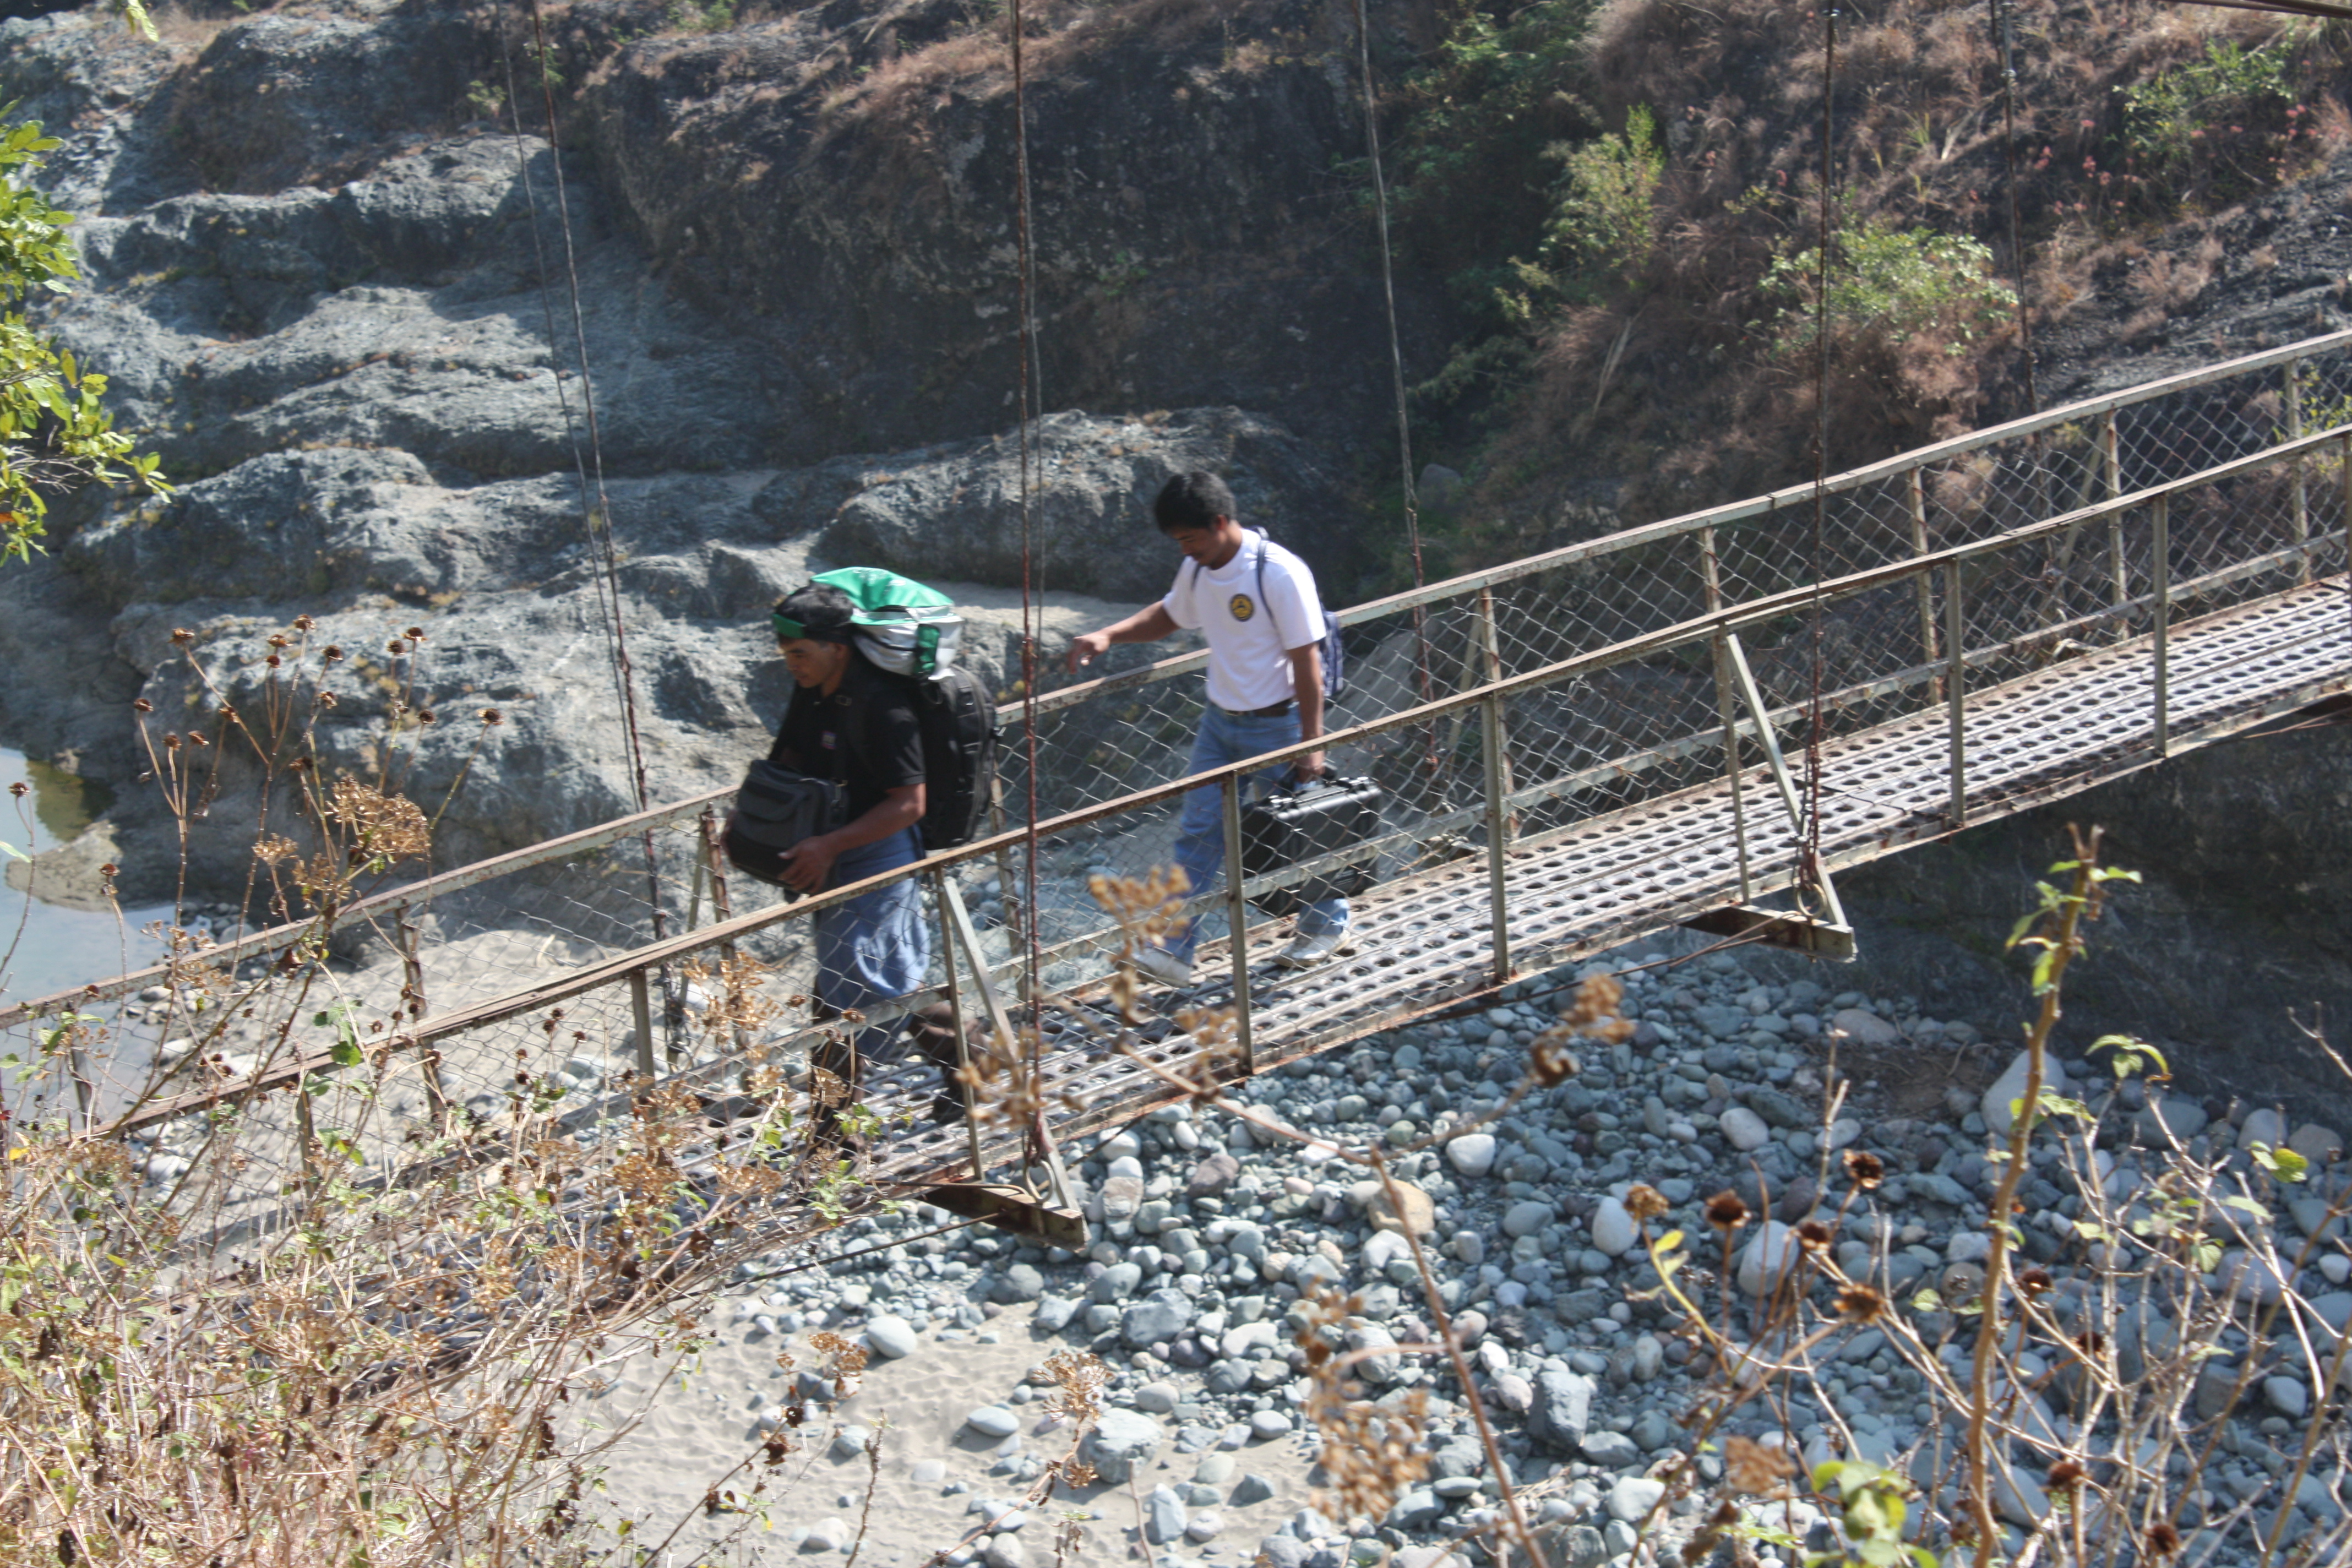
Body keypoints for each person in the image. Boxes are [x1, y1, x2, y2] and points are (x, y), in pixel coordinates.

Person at [1066, 470, 1354, 984]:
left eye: (1190, 538)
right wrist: (1108, 636)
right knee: (1198, 833)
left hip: (1279, 725)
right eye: (1178, 542)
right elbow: (1169, 616)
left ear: (1220, 523)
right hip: (1220, 724)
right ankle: (1174, 953)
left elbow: (1307, 660)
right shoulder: (1198, 571)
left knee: (1299, 831)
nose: (1185, 550)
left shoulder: (1278, 573)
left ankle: (1326, 925)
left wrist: (1313, 744)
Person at [765, 582, 962, 1119]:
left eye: (800, 653)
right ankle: (974, 1067)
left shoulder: (881, 705)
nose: (792, 664)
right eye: (786, 654)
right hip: (831, 848)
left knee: (858, 989)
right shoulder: (813, 691)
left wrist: (829, 845)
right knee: (867, 984)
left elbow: (909, 803)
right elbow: (787, 758)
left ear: (838, 648)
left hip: (878, 853)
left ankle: (832, 1135)